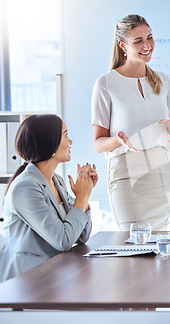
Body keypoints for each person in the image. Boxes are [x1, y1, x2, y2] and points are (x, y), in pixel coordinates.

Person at [91, 14, 170, 231]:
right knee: (132, 247)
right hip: (126, 175)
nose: (147, 45)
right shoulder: (106, 83)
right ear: (123, 45)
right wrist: (117, 140)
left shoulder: (163, 81)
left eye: (149, 37)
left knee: (161, 247)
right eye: (138, 41)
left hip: (161, 173)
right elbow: (98, 143)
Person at [0, 114, 97, 282]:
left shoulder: (56, 181)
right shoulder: (25, 188)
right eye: (66, 135)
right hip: (26, 281)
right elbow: (63, 240)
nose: (71, 142)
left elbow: (82, 236)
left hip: (55, 273)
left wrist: (84, 196)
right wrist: (81, 197)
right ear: (49, 143)